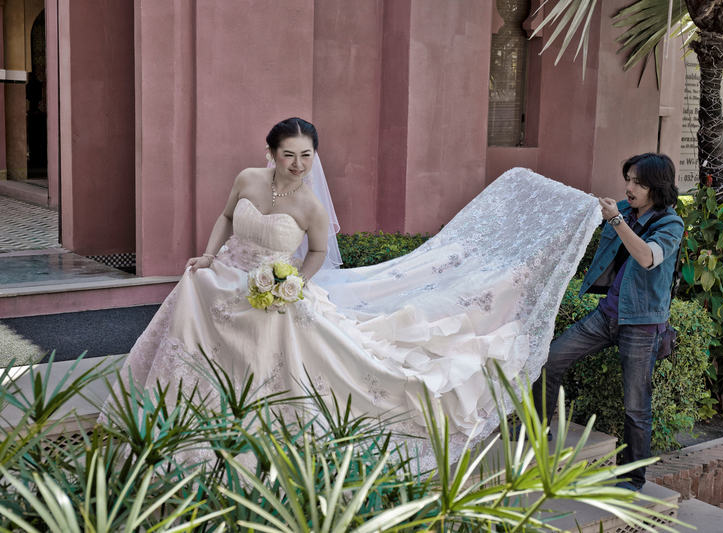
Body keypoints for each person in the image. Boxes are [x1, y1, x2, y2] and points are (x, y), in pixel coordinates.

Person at [109, 117, 603, 470]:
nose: (298, 164)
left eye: (307, 155)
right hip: (225, 276)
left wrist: (292, 283)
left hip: (273, 289)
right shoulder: (247, 179)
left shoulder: (311, 206)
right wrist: (208, 256)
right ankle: (175, 415)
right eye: (289, 154)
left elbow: (318, 253)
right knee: (192, 295)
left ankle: (245, 430)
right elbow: (223, 217)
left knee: (291, 359)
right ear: (271, 153)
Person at [531, 153, 684, 491]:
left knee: (636, 406)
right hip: (607, 316)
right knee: (549, 359)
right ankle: (537, 427)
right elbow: (577, 215)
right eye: (627, 179)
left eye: (637, 183)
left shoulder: (670, 224)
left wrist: (616, 220)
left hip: (642, 325)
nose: (628, 187)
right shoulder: (623, 210)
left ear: (655, 187)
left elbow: (646, 257)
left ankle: (633, 477)